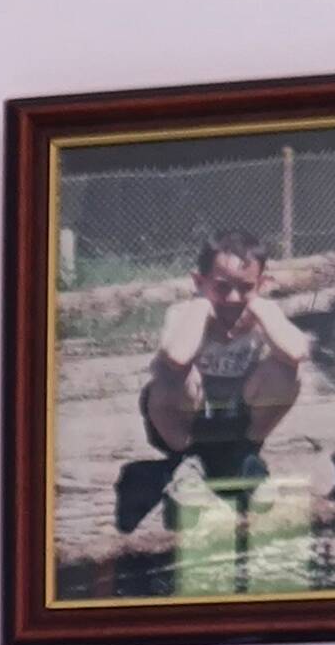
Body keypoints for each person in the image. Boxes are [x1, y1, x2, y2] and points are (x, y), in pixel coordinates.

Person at [115, 229, 309, 537]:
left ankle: (246, 456)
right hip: (184, 423)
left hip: (237, 424)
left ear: (262, 284)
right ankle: (186, 463)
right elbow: (177, 356)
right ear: (199, 282)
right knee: (171, 375)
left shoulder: (263, 314)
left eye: (245, 288)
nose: (232, 298)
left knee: (287, 371)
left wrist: (259, 306)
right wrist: (203, 307)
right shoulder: (183, 312)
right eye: (221, 287)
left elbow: (298, 350)